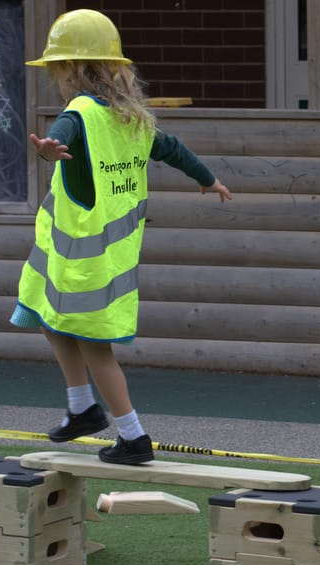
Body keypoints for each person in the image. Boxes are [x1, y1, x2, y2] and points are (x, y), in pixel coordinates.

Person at [13, 9, 232, 465]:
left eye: (56, 71)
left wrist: (50, 148)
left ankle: (133, 437)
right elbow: (174, 150)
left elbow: (65, 129)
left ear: (70, 70)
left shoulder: (80, 114)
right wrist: (208, 179)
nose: (56, 80)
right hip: (87, 253)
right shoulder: (133, 120)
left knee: (95, 347)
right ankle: (83, 409)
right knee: (47, 316)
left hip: (85, 257)